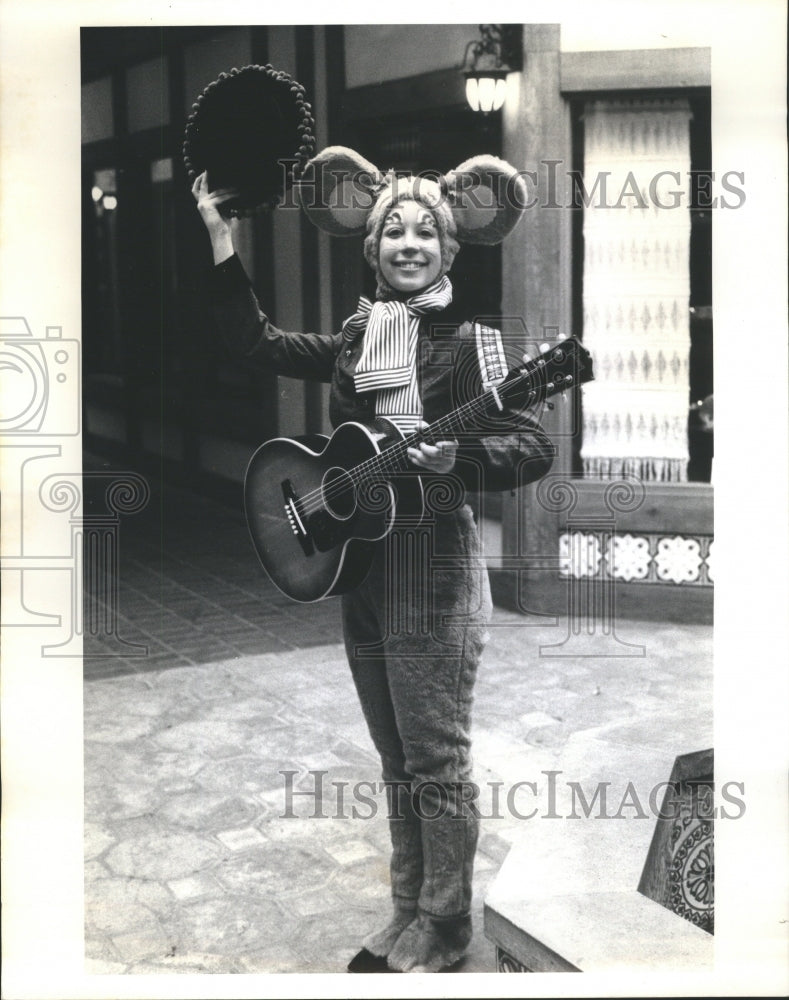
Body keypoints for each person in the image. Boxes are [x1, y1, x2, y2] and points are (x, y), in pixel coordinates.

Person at [192, 148, 556, 973]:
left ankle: (448, 925)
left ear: (450, 248)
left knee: (434, 756)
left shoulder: (476, 344)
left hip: (434, 566)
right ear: (372, 246)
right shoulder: (358, 335)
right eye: (392, 227)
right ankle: (405, 911)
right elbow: (254, 341)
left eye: (426, 229)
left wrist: (455, 464)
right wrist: (220, 239)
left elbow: (530, 446)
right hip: (361, 564)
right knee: (394, 757)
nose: (407, 240)